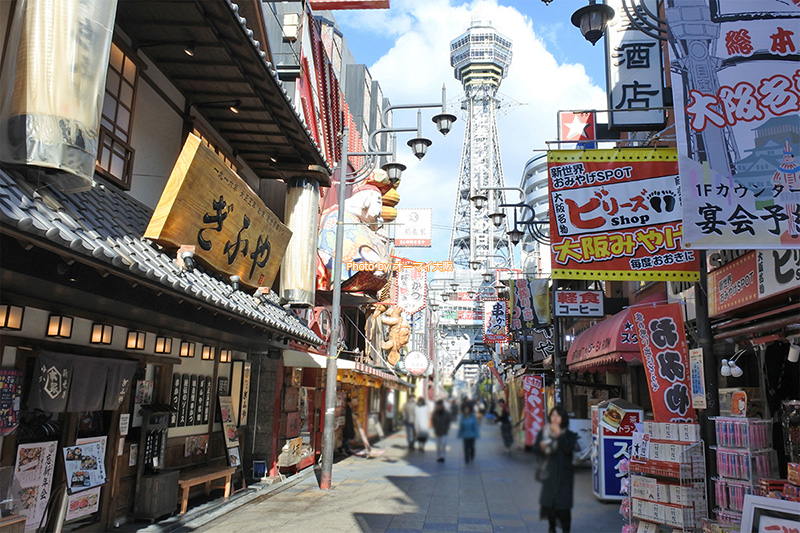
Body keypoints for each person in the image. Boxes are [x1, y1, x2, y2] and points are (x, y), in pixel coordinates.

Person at [534, 405, 578, 533]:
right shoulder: (544, 433)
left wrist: (558, 434)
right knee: (550, 507)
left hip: (564, 476)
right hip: (550, 475)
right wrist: (541, 448)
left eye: (558, 416)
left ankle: (566, 530)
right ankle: (551, 528)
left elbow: (568, 449)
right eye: (553, 415)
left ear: (563, 418)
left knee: (564, 508)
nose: (555, 418)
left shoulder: (570, 435)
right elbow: (536, 450)